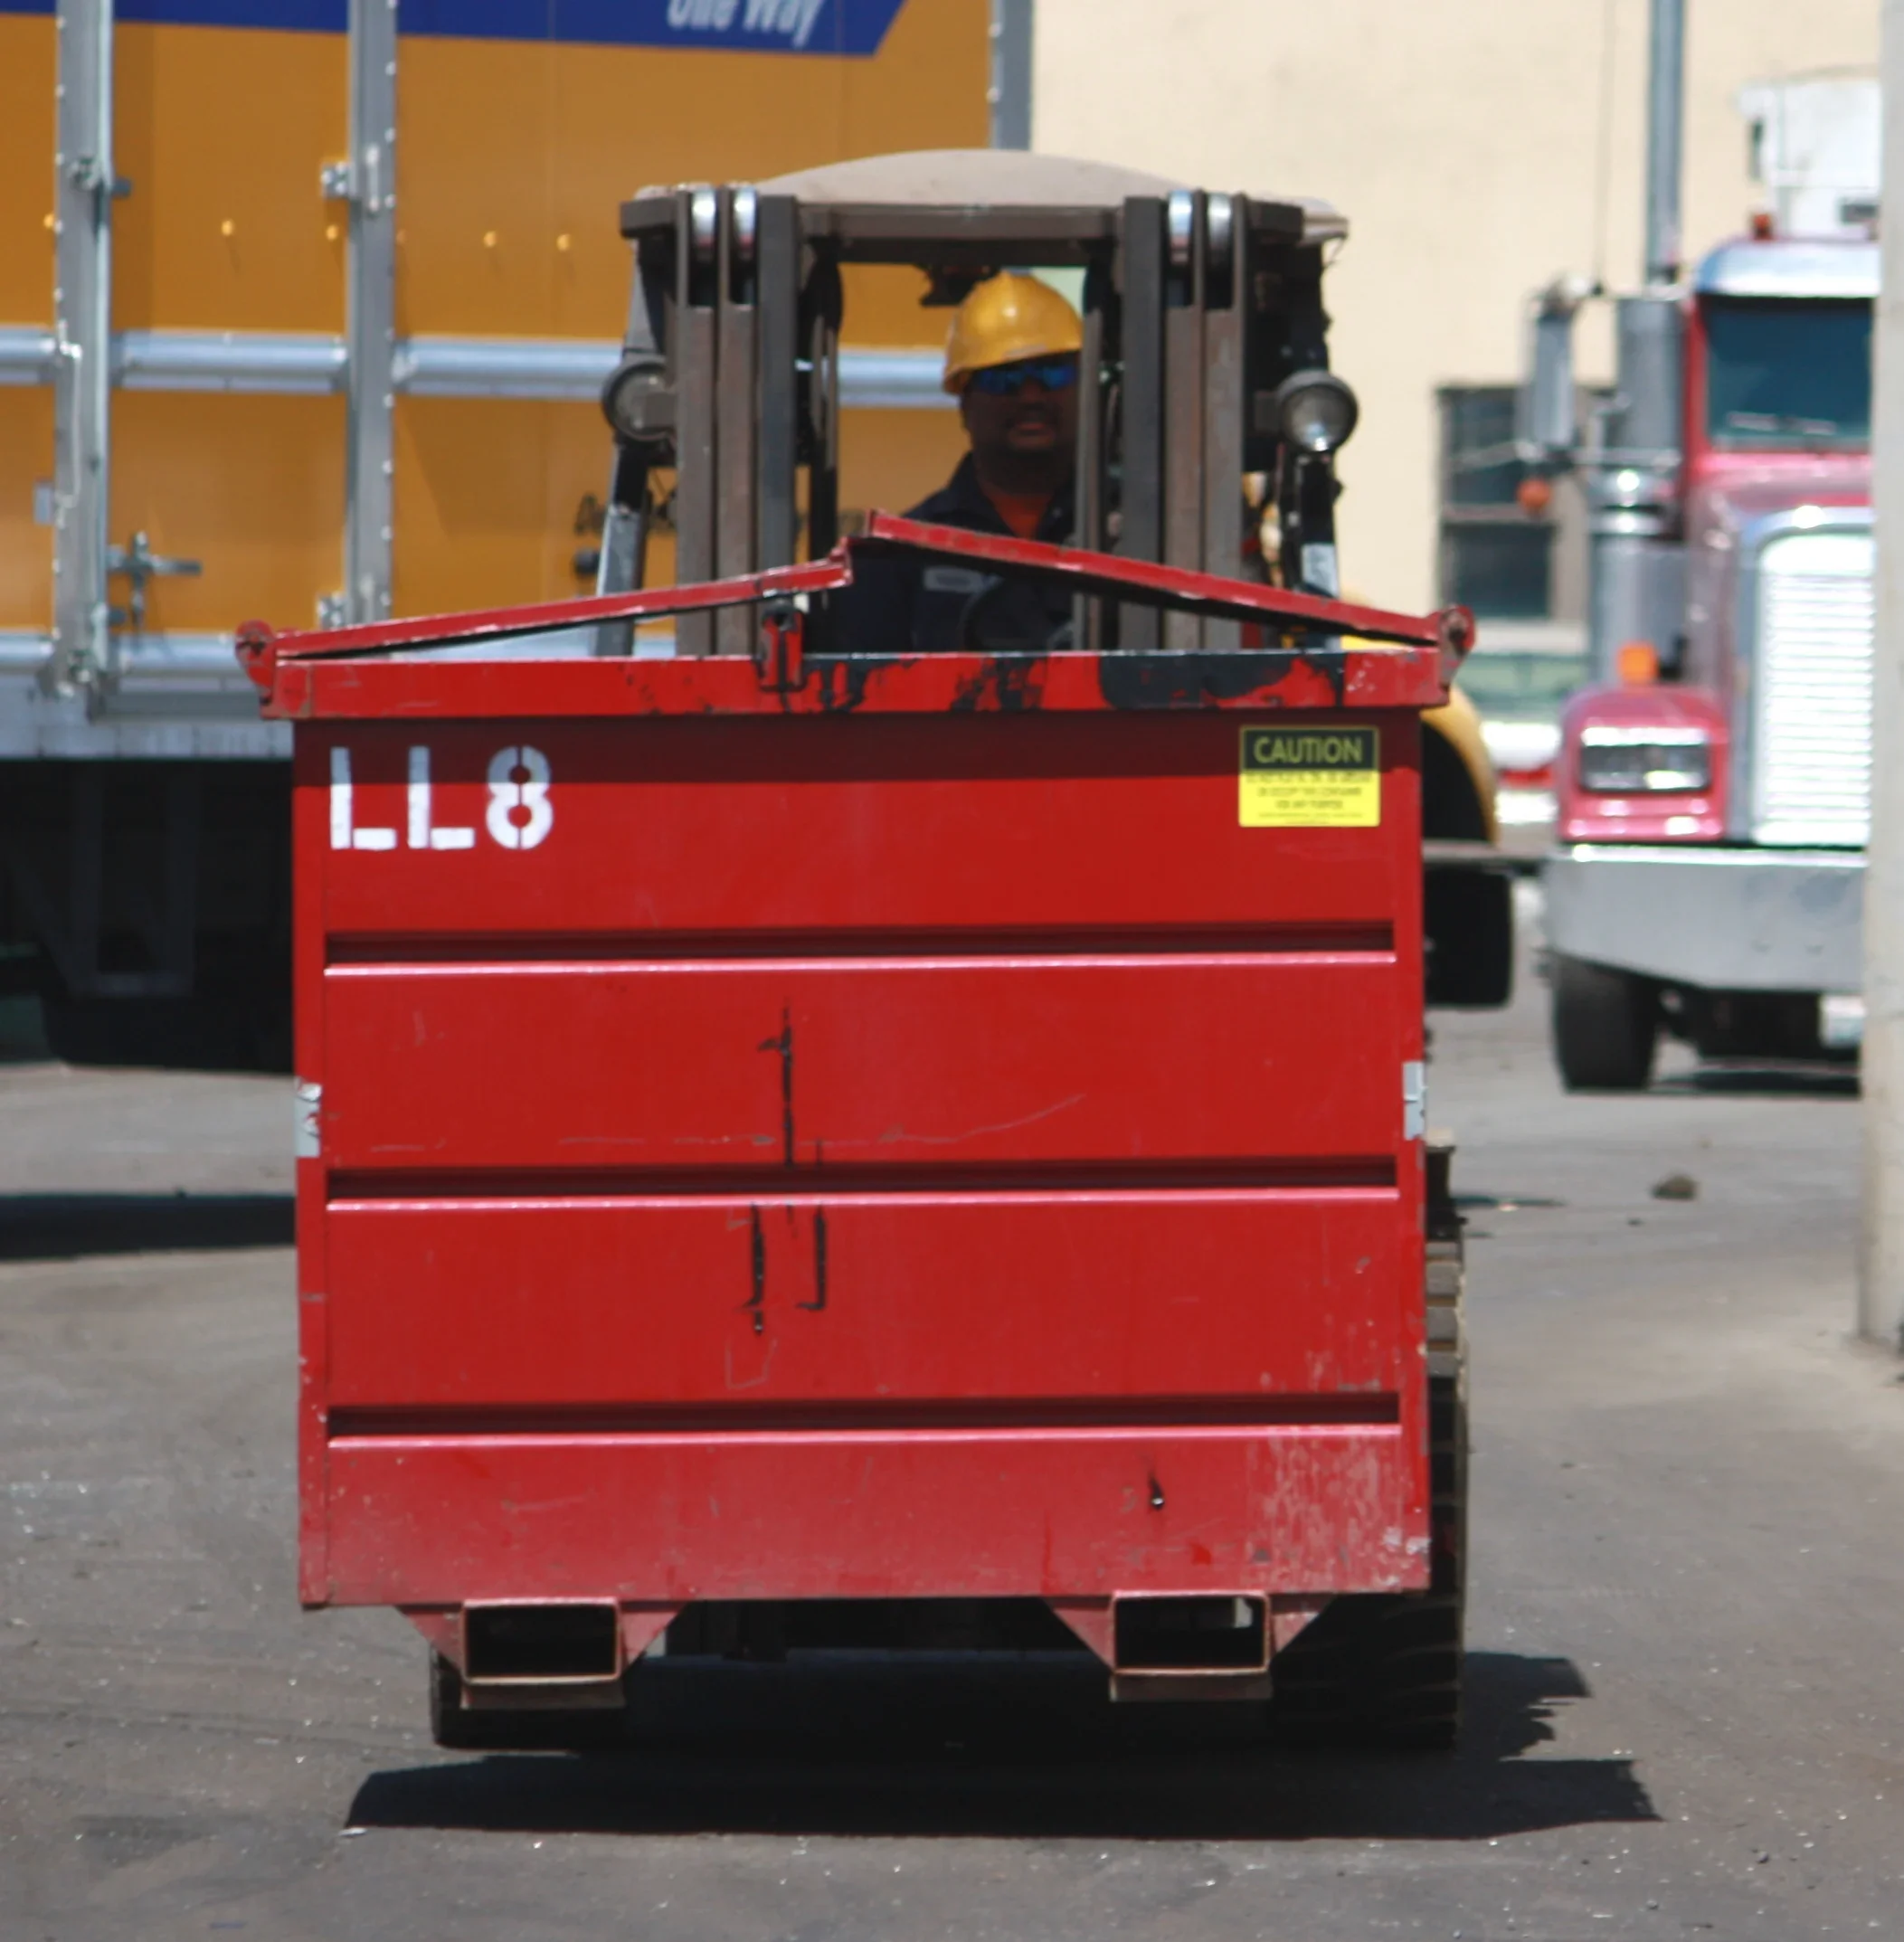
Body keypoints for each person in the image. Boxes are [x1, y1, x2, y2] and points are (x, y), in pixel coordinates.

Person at [835, 271, 1083, 654]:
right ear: (965, 404)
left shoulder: (1132, 539)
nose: (1031, 394)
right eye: (1004, 378)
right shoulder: (895, 560)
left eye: (1053, 372)